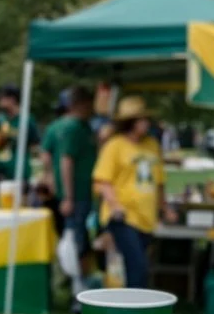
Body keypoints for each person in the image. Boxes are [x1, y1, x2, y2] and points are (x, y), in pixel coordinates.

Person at [91, 95, 164, 288]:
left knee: (139, 264)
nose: (146, 123)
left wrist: (164, 208)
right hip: (123, 216)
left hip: (146, 218)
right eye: (142, 120)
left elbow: (159, 181)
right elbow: (103, 180)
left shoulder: (152, 145)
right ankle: (134, 308)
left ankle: (134, 304)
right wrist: (115, 206)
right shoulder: (115, 146)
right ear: (130, 123)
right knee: (137, 265)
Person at [58, 85, 97, 298]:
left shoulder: (85, 127)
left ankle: (83, 280)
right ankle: (78, 288)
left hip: (85, 192)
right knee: (76, 240)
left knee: (83, 239)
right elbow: (66, 161)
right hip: (77, 194)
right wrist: (68, 196)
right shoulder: (72, 128)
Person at [0, 83, 41, 201]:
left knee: (20, 207)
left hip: (20, 173)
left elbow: (35, 144)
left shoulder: (26, 119)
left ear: (12, 99)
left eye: (2, 98)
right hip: (0, 172)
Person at [40, 91, 71, 235]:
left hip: (58, 182)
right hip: (77, 184)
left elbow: (45, 155)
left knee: (61, 225)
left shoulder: (53, 127)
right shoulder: (83, 126)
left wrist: (48, 174)